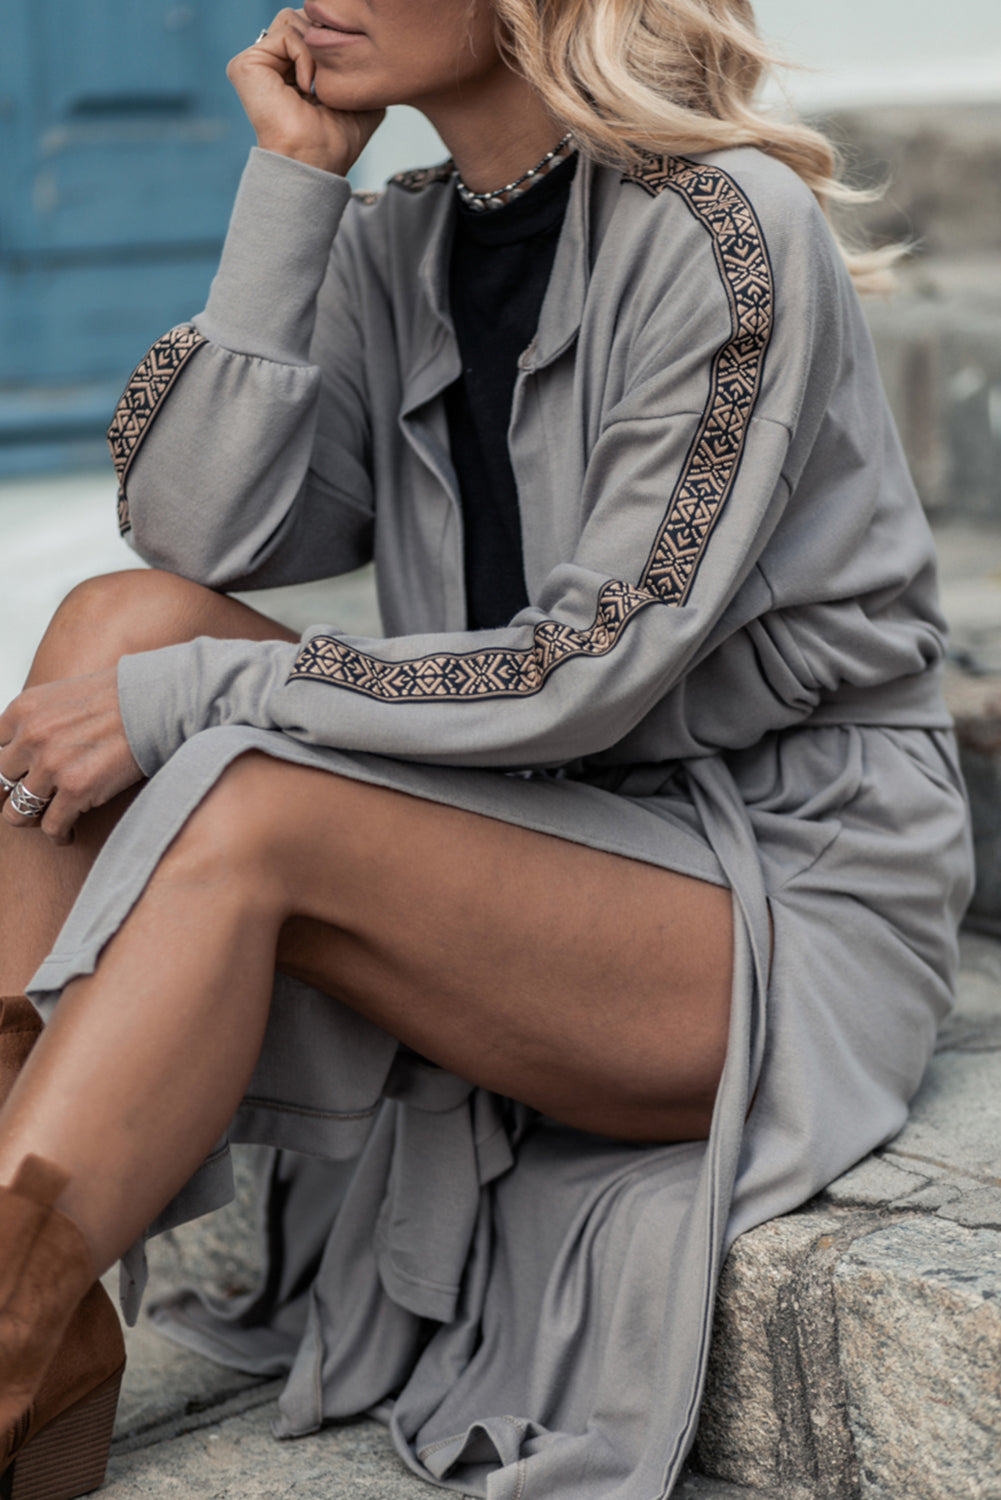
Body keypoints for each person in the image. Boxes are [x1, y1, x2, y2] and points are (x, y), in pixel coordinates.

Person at [0, 2, 973, 1496]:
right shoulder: (402, 236)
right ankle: (31, 1303)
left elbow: (592, 669)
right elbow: (189, 528)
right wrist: (292, 187)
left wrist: (207, 699)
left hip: (772, 890)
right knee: (115, 625)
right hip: (522, 815)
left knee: (249, 803)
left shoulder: (725, 227)